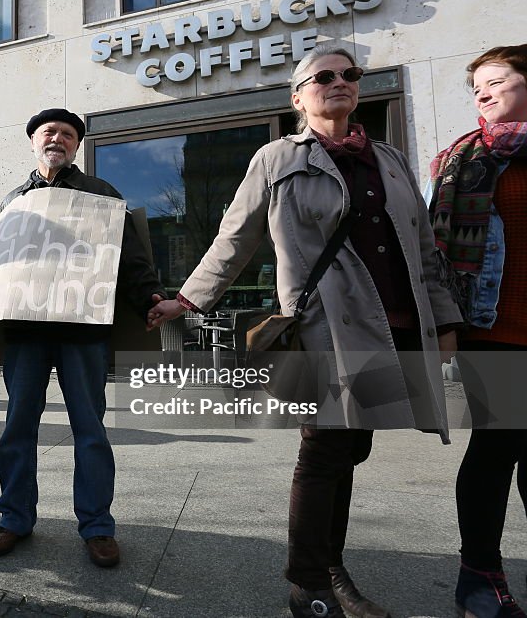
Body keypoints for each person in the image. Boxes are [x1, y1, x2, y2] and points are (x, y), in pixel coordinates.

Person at [148, 45, 461, 617]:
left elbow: (422, 249)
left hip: (392, 327)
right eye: (322, 76)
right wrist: (188, 300)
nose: (338, 82)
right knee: (324, 450)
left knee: (351, 446)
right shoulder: (276, 158)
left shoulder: (389, 159)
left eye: (350, 74)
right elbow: (235, 237)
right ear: (298, 97)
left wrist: (442, 321)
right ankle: (310, 584)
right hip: (324, 327)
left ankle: (330, 566)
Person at [0, 108, 166, 569]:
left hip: (84, 332)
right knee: (17, 429)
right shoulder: (12, 201)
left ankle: (98, 526)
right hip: (25, 333)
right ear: (33, 141)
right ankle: (14, 519)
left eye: (67, 134)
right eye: (50, 132)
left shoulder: (101, 194)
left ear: (76, 146)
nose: (58, 139)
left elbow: (132, 258)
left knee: (90, 430)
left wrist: (149, 297)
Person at [427, 44, 527, 617]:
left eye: (496, 81)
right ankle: (479, 576)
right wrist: (444, 323)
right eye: (476, 87)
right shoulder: (461, 161)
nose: (482, 93)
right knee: (498, 448)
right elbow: (434, 254)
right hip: (493, 330)